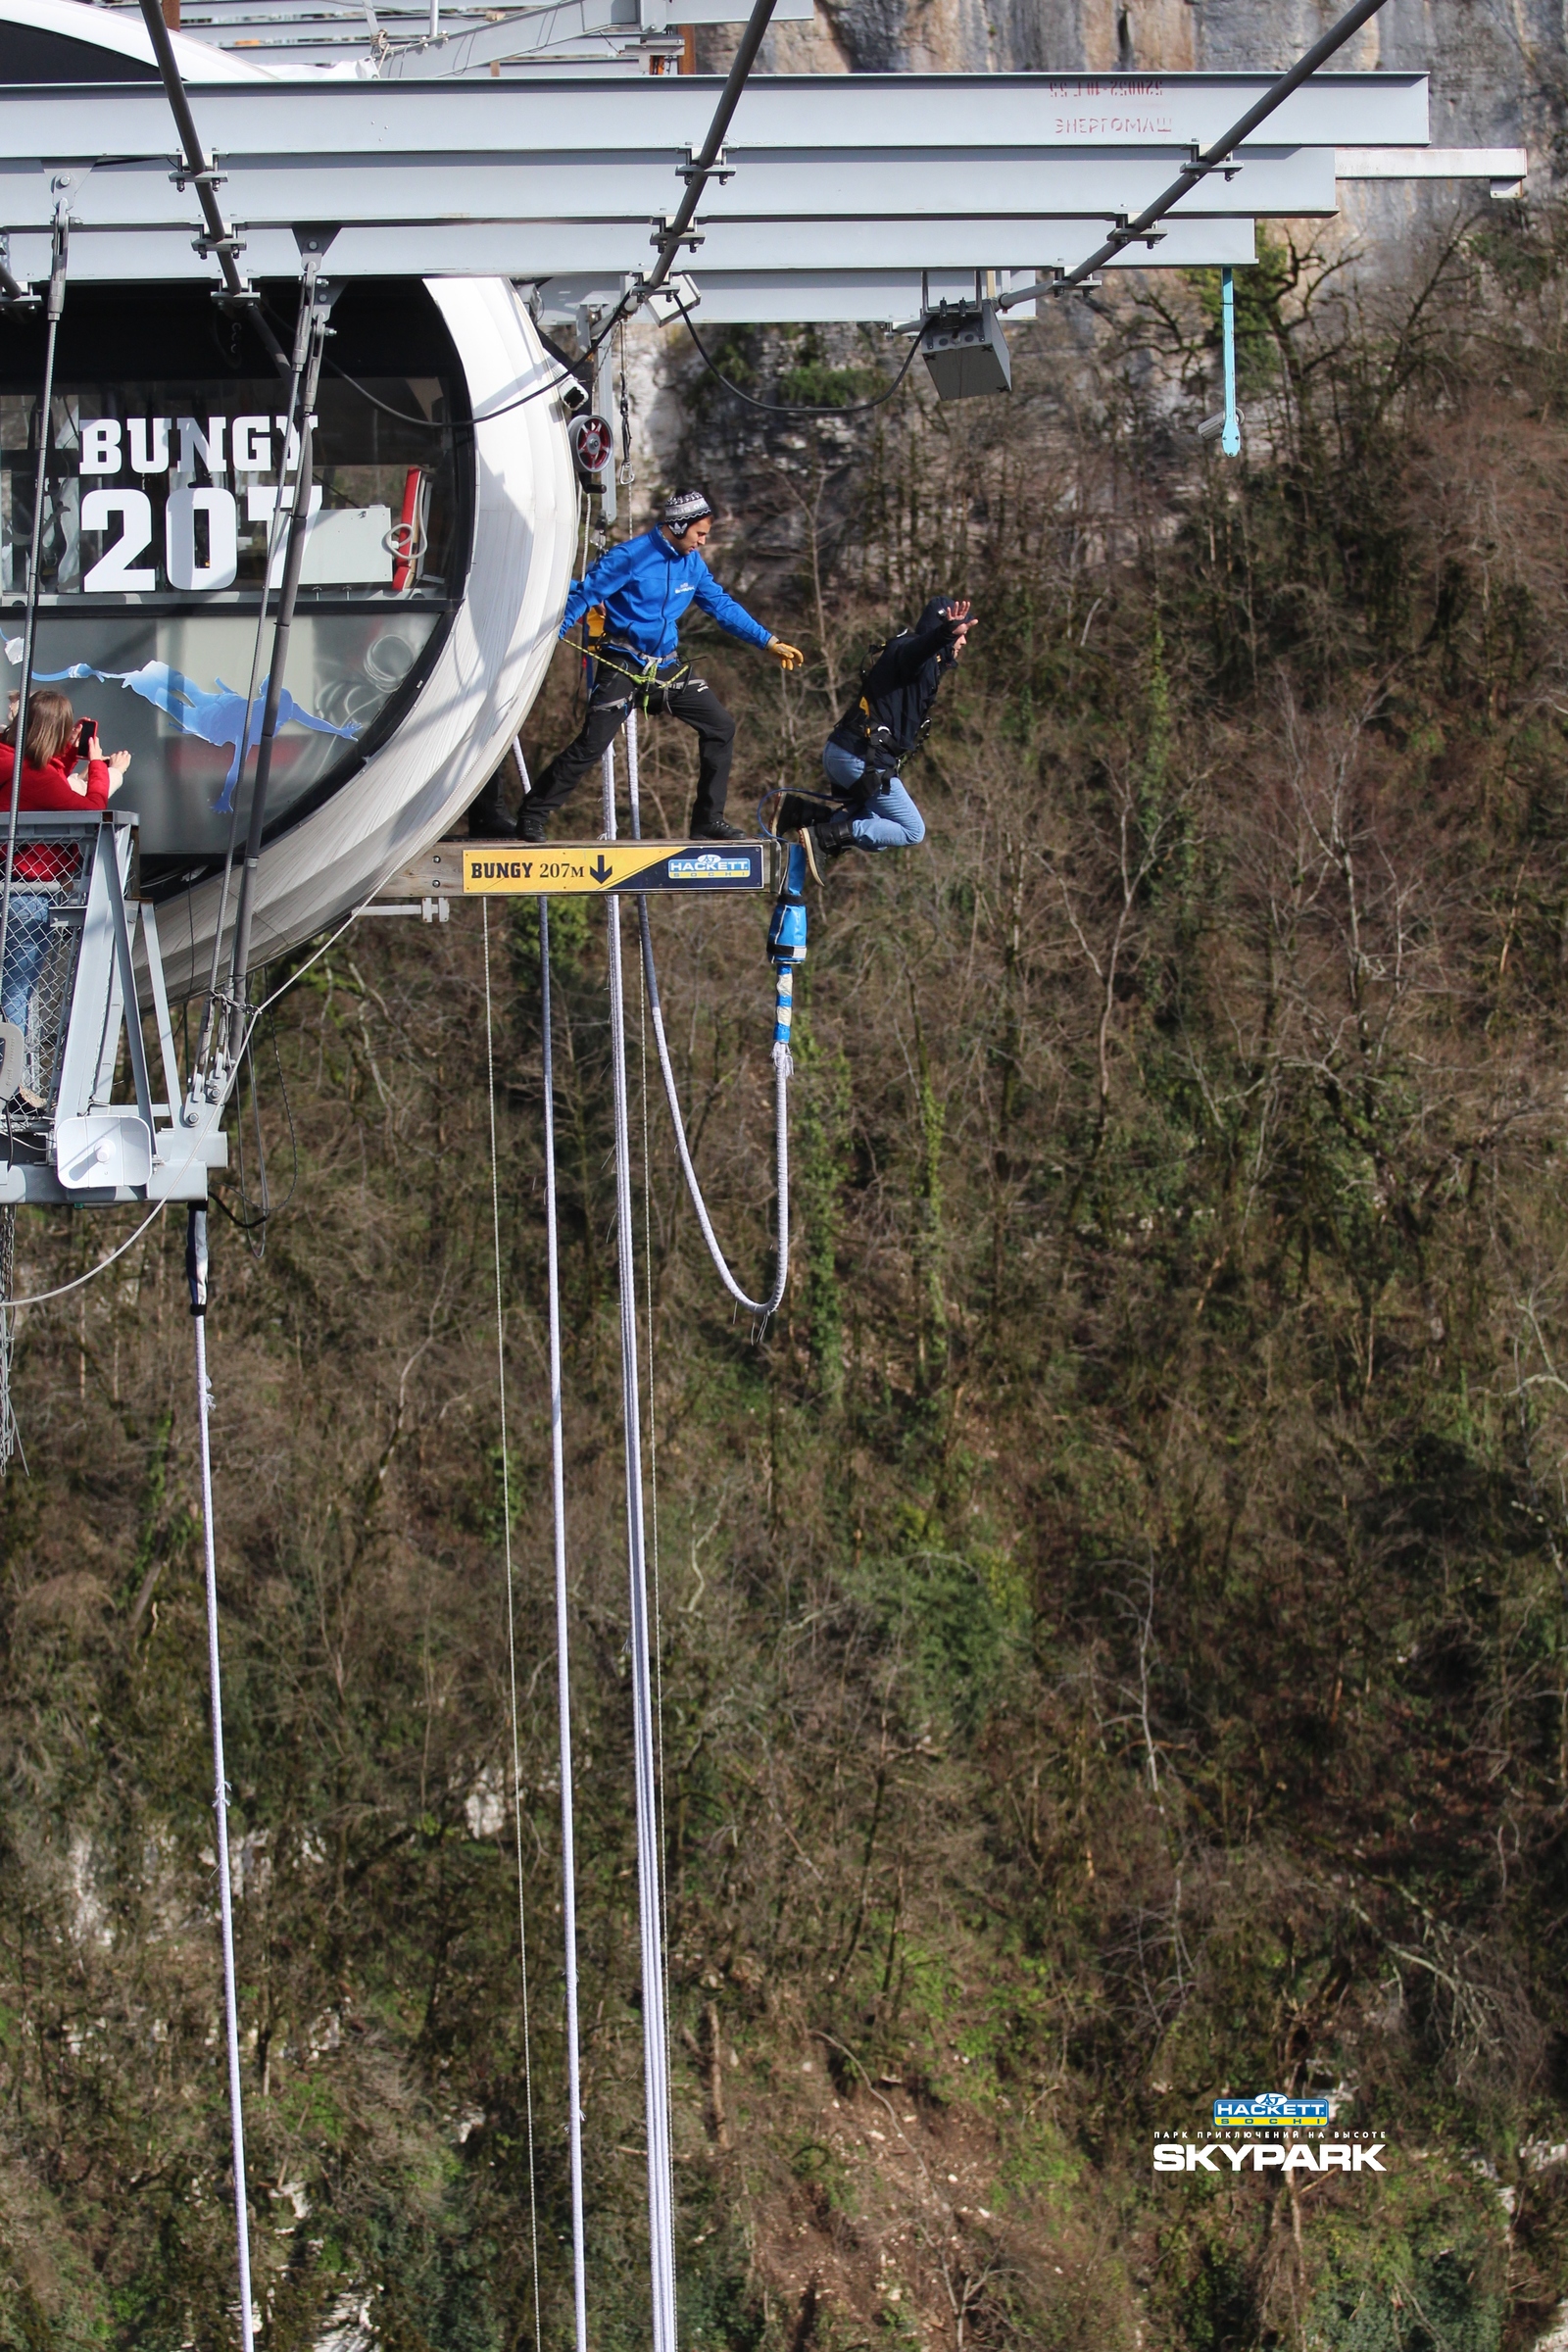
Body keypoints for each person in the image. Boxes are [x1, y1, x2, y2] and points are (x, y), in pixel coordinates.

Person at [518, 489, 804, 844]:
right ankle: (533, 814)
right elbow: (585, 595)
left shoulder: (693, 564)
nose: (702, 541)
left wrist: (768, 641)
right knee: (592, 743)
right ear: (678, 526)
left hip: (666, 668)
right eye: (699, 533)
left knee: (721, 726)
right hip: (623, 661)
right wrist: (554, 635)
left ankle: (708, 821)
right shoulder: (630, 556)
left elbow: (722, 607)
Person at [772, 597, 975, 878]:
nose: (964, 643)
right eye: (962, 635)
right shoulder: (909, 653)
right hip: (859, 757)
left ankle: (798, 812)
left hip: (847, 753)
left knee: (876, 835)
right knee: (912, 830)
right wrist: (943, 635)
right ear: (942, 629)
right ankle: (823, 836)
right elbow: (918, 650)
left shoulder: (924, 663)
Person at [0, 687, 128, 1045]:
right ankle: (13, 1082)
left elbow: (45, 781)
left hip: (16, 884)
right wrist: (100, 767)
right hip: (28, 889)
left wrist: (71, 756)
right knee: (17, 989)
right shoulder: (33, 775)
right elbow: (91, 810)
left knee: (14, 988)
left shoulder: (13, 761)